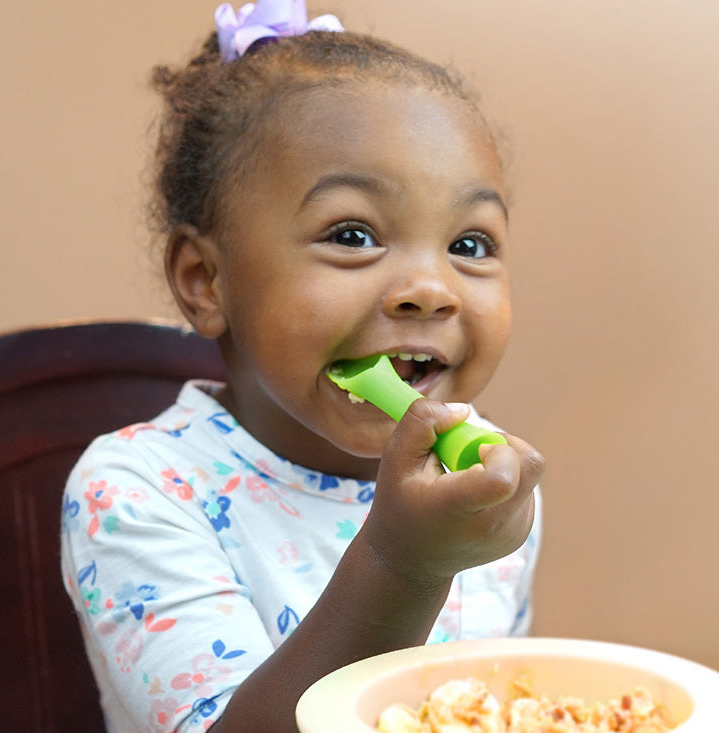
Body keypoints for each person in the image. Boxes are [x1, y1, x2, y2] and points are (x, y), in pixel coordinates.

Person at [61, 2, 545, 731]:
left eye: (470, 245)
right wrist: (403, 564)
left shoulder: (485, 490)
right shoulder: (137, 491)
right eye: (352, 234)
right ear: (205, 280)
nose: (431, 289)